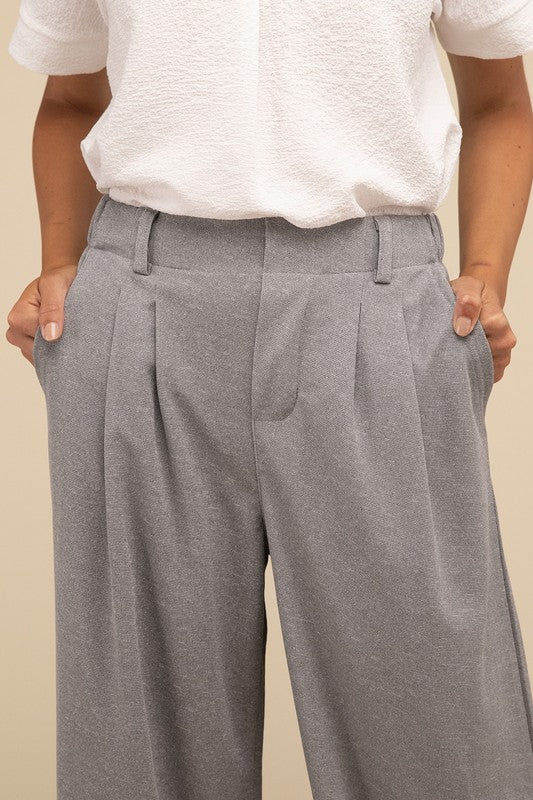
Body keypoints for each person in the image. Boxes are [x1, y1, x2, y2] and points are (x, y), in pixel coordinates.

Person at [5, 1, 533, 798]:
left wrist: (485, 272)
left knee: (441, 744)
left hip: (376, 299)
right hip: (141, 298)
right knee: (138, 758)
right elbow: (72, 100)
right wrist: (57, 260)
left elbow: (497, 97)